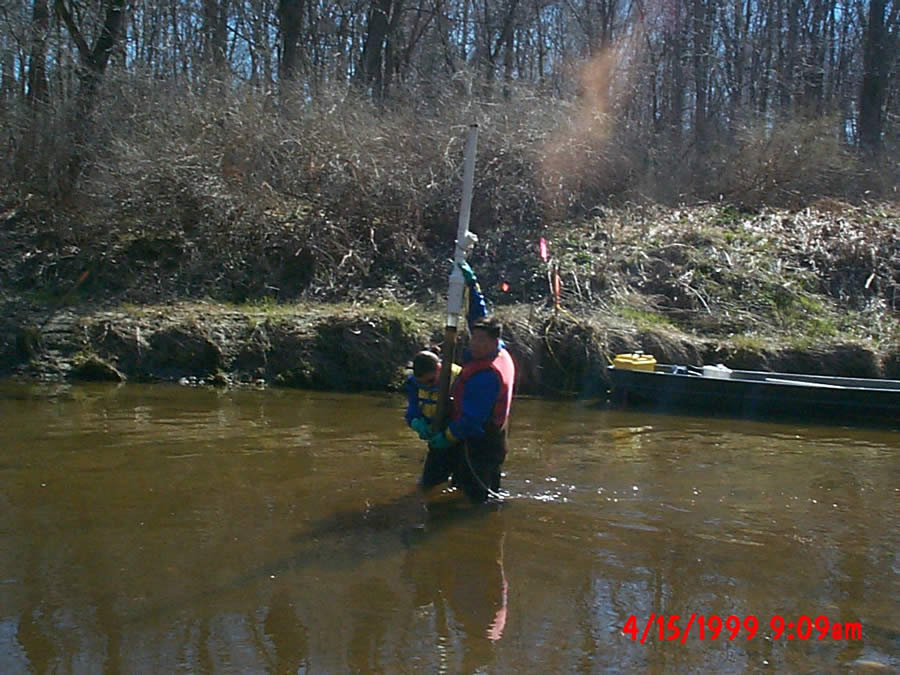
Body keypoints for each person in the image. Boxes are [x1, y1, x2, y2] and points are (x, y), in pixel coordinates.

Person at [421, 261, 516, 503]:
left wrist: (445, 438)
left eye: (482, 342)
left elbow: (471, 421)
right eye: (475, 339)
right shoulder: (496, 348)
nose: (475, 344)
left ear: (495, 342)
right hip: (469, 433)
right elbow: (479, 316)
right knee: (433, 482)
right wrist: (473, 286)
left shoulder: (486, 376)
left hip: (482, 444)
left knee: (477, 500)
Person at [405, 350, 462, 441]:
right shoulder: (413, 384)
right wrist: (415, 422)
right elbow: (413, 407)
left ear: (439, 368)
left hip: (457, 436)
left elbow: (468, 416)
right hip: (434, 434)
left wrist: (448, 436)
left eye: (430, 381)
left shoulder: (460, 378)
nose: (427, 386)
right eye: (421, 383)